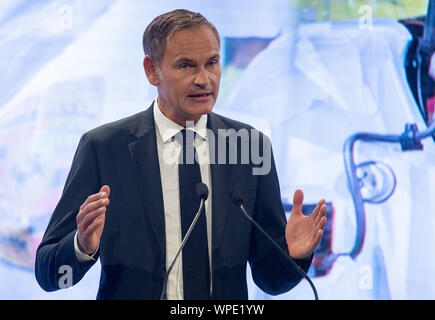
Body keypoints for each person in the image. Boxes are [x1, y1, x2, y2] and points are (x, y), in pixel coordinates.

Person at [35, 9, 327, 300]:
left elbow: (270, 280)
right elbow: (49, 275)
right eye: (186, 66)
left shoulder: (248, 146)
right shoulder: (105, 147)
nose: (204, 79)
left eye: (212, 63)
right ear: (152, 70)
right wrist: (80, 247)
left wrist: (293, 255)